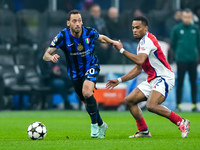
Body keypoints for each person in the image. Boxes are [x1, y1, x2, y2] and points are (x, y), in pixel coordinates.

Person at [106, 16, 190, 138]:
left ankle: (181, 121)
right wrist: (119, 80)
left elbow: (139, 59)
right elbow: (138, 69)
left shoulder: (147, 41)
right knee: (129, 100)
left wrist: (121, 50)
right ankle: (143, 131)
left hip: (164, 77)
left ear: (146, 28)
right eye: (133, 28)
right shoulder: (141, 43)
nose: (134, 30)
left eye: (137, 28)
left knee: (151, 106)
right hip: (153, 78)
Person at [43, 9, 117, 138]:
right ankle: (101, 124)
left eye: (79, 20)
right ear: (68, 23)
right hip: (75, 73)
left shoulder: (89, 32)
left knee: (87, 92)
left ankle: (94, 127)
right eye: (74, 21)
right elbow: (46, 55)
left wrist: (113, 42)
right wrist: (51, 57)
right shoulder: (62, 36)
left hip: (91, 66)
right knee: (86, 101)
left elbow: (102, 38)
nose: (78, 23)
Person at [171, 9, 200, 111]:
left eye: (189, 17)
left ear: (191, 18)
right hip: (181, 60)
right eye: (185, 17)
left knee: (193, 82)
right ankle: (178, 105)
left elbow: (198, 44)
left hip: (193, 60)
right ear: (182, 17)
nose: (187, 19)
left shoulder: (196, 29)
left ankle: (194, 105)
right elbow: (173, 44)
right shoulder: (177, 29)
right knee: (180, 82)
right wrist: (179, 53)